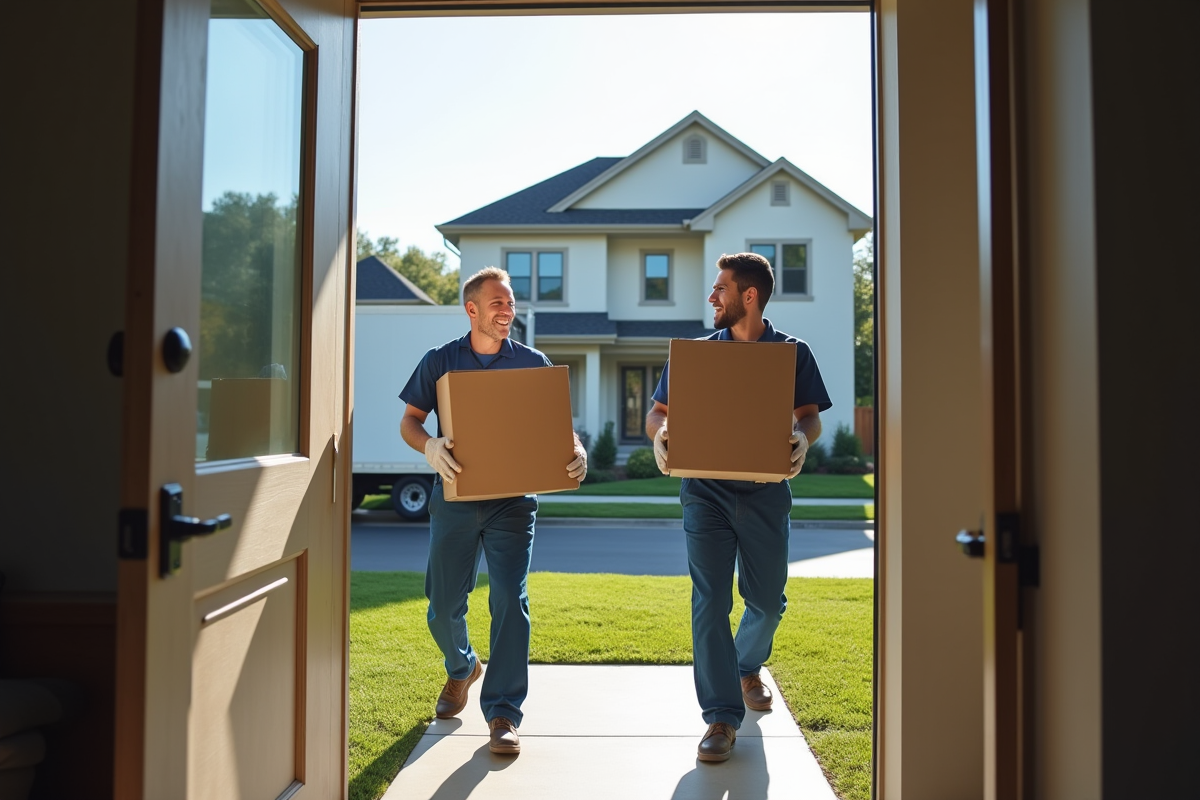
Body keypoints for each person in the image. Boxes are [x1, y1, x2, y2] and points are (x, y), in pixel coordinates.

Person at [644, 252, 830, 763]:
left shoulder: (792, 353)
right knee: (709, 602)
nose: (711, 298)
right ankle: (721, 719)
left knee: (769, 602)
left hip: (767, 490)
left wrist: (801, 436)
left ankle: (746, 664)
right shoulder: (697, 355)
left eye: (719, 289)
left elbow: (809, 415)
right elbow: (659, 412)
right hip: (705, 493)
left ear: (748, 296)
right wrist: (660, 434)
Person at [399, 266, 587, 756]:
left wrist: (577, 449)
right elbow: (410, 421)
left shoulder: (532, 361)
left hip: (513, 503)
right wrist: (429, 448)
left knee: (509, 599)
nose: (509, 311)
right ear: (472, 309)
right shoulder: (440, 361)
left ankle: (503, 712)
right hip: (456, 500)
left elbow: (559, 429)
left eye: (511, 303)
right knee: (442, 607)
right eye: (498, 303)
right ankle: (462, 668)